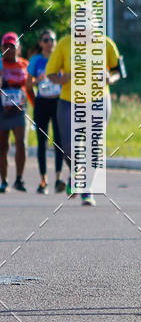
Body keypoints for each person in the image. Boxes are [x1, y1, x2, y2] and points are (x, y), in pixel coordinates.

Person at [45, 31, 123, 206]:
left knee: (94, 145)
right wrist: (60, 79)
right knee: (69, 149)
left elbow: (119, 70)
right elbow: (50, 73)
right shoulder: (65, 44)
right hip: (69, 101)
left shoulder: (106, 44)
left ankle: (87, 190)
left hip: (98, 100)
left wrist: (110, 78)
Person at [26, 29, 65, 194]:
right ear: (40, 43)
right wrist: (37, 80)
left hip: (58, 101)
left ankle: (58, 178)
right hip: (42, 102)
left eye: (52, 39)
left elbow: (67, 78)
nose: (49, 42)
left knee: (59, 142)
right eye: (46, 40)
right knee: (42, 142)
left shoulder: (60, 58)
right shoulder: (36, 60)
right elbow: (27, 85)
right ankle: (43, 180)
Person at [0, 32, 35, 192]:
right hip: (2, 109)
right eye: (5, 46)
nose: (9, 49)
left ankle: (19, 179)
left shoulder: (24, 65)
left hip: (19, 109)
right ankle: (4, 180)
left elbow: (29, 88)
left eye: (12, 46)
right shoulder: (0, 64)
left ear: (18, 49)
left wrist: (36, 106)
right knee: (2, 146)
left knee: (21, 143)